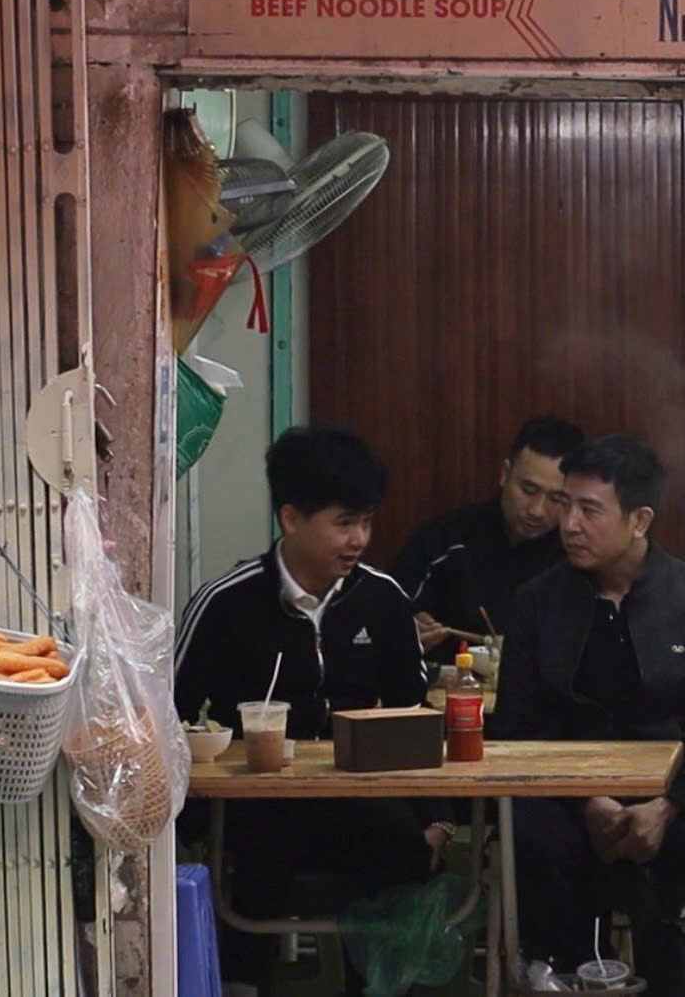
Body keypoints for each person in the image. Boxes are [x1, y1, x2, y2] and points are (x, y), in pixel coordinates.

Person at [494, 435, 685, 996]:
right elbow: (517, 728)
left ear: (640, 520)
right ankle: (568, 973)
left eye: (589, 510)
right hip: (565, 799)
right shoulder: (539, 601)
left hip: (674, 796)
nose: (569, 524)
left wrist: (669, 806)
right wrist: (587, 802)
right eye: (565, 505)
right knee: (538, 852)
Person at [175, 426, 448, 993]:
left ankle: (380, 983)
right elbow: (168, 714)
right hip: (260, 808)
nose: (359, 539)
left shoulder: (384, 600)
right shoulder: (226, 603)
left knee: (403, 849)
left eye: (367, 522)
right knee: (247, 865)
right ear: (291, 518)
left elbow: (415, 712)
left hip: (363, 800)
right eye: (344, 522)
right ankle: (245, 984)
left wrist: (436, 817)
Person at [393, 415, 586, 655]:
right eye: (528, 490)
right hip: (452, 686)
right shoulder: (447, 539)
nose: (537, 511)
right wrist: (409, 628)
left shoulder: (578, 556)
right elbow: (387, 615)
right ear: (505, 474)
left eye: (556, 499)